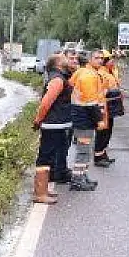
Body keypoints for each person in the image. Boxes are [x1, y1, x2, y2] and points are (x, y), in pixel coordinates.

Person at [31, 54, 72, 204]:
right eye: (62, 57)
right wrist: (38, 120)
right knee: (45, 157)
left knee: (49, 157)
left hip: (57, 124)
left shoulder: (60, 77)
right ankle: (40, 193)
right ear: (57, 64)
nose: (66, 58)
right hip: (52, 125)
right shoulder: (57, 80)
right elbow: (46, 102)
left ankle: (43, 190)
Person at [68, 50, 106, 191]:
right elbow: (91, 103)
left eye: (101, 58)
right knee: (83, 151)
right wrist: (100, 120)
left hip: (80, 117)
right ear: (90, 59)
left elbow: (71, 87)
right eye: (97, 58)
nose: (100, 60)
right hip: (85, 120)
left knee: (85, 150)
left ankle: (82, 176)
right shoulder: (89, 76)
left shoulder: (82, 72)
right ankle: (77, 180)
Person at [50, 50, 78, 184]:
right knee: (59, 144)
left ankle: (61, 169)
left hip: (69, 115)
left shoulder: (72, 74)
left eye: (75, 58)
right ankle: (57, 172)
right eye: (71, 58)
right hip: (59, 117)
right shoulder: (61, 77)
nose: (74, 60)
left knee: (65, 144)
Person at [94, 51, 123, 166]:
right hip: (104, 106)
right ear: (106, 62)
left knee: (108, 131)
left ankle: (103, 153)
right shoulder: (101, 74)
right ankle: (98, 156)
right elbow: (101, 91)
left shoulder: (110, 71)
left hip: (111, 105)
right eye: (110, 59)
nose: (113, 61)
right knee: (103, 131)